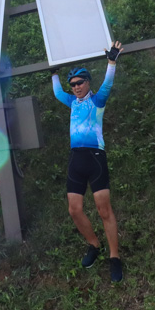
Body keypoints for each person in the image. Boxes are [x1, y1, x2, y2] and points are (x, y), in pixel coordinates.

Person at [51, 41, 124, 283]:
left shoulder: (97, 100)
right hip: (76, 159)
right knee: (74, 210)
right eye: (72, 84)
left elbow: (109, 83)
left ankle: (115, 257)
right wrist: (53, 71)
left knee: (104, 210)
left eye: (79, 83)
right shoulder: (72, 102)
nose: (75, 87)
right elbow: (57, 93)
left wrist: (111, 62)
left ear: (88, 82)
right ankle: (94, 244)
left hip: (95, 158)